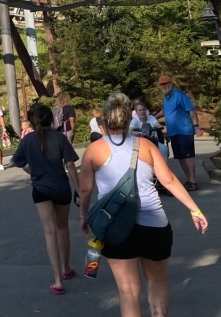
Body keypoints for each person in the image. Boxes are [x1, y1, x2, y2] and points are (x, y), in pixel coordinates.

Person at [79, 92, 208, 317]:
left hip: (115, 226)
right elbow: (169, 180)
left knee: (128, 291)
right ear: (128, 119)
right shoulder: (146, 146)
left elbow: (85, 190)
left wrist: (84, 216)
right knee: (157, 280)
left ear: (105, 119)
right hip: (153, 224)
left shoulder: (94, 150)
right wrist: (194, 210)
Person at [11, 105, 81, 296]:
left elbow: (15, 161)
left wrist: (28, 168)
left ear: (34, 121)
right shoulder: (60, 138)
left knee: (49, 232)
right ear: (53, 120)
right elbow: (70, 165)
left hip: (40, 190)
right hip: (61, 188)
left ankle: (58, 280)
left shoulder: (28, 140)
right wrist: (79, 189)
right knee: (63, 227)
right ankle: (66, 268)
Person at [153, 75, 202, 190]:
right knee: (180, 157)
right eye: (162, 85)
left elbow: (191, 110)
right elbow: (165, 110)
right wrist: (153, 117)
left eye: (166, 84)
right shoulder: (165, 97)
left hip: (184, 130)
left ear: (171, 84)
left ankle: (193, 181)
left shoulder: (180, 95)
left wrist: (196, 127)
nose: (165, 86)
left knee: (187, 156)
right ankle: (189, 180)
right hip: (173, 132)